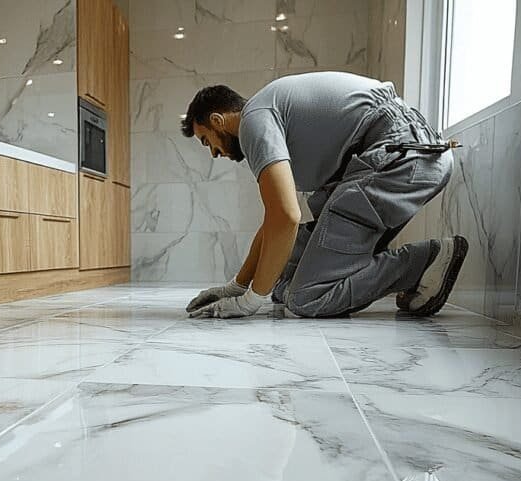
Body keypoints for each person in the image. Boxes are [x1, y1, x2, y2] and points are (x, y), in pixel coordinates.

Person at [180, 72, 467, 319]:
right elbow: (275, 221)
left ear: (218, 120)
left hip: (403, 157)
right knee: (282, 275)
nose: (214, 153)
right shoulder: (266, 110)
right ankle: (370, 271)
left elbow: (287, 216)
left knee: (305, 298)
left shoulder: (254, 120)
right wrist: (237, 286)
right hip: (406, 155)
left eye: (207, 141)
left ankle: (425, 261)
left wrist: (249, 302)